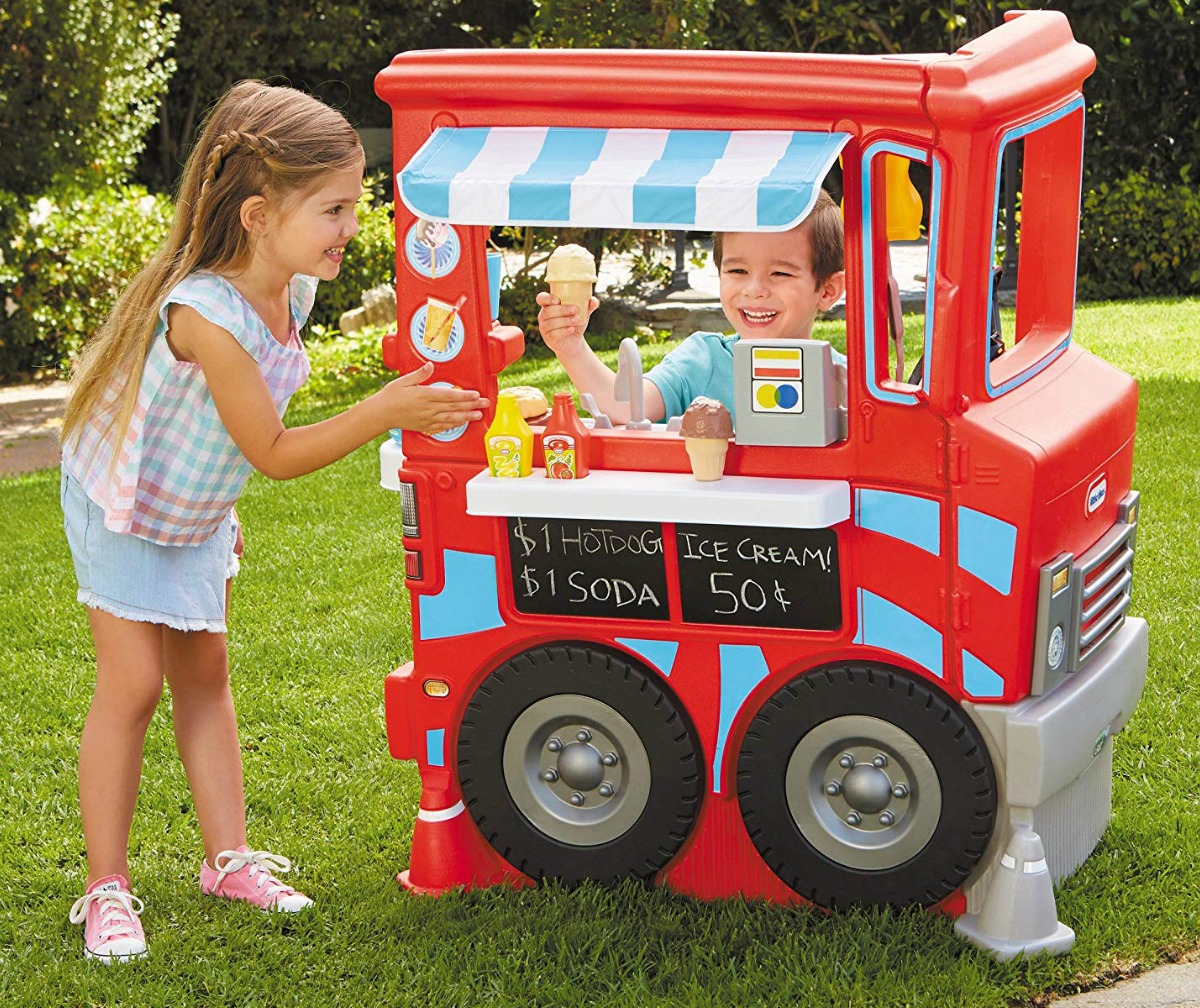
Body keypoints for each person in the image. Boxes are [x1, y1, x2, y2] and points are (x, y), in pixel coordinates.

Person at [59, 80, 488, 964]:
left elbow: (223, 440)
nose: (351, 228)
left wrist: (216, 516)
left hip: (191, 506)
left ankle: (227, 860)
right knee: (135, 683)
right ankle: (106, 885)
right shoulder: (206, 315)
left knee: (206, 673)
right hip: (123, 503)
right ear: (258, 214)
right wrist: (387, 410)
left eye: (354, 205)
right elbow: (276, 450)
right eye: (333, 209)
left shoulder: (288, 292)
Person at [536, 189, 846, 425]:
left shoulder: (844, 379)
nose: (754, 290)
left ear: (828, 290)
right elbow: (627, 409)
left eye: (780, 273)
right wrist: (572, 349)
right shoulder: (702, 360)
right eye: (738, 271)